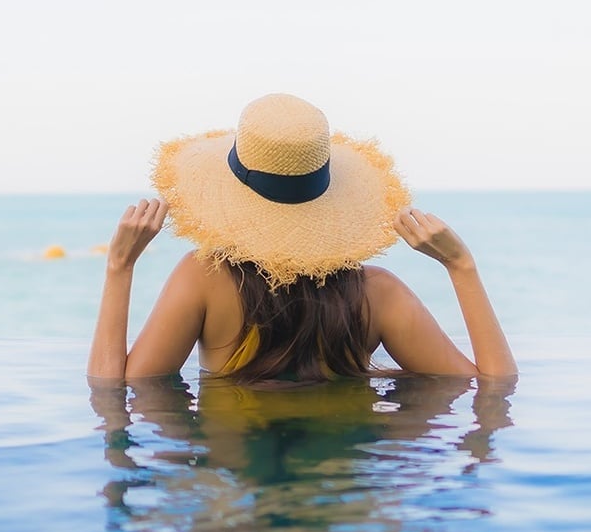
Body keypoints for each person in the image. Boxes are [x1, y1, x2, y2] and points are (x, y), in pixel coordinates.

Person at [87, 94, 516, 383]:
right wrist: (461, 266)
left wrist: (119, 267)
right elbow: (494, 387)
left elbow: (113, 392)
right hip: (341, 502)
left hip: (236, 504)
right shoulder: (378, 294)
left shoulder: (203, 279)